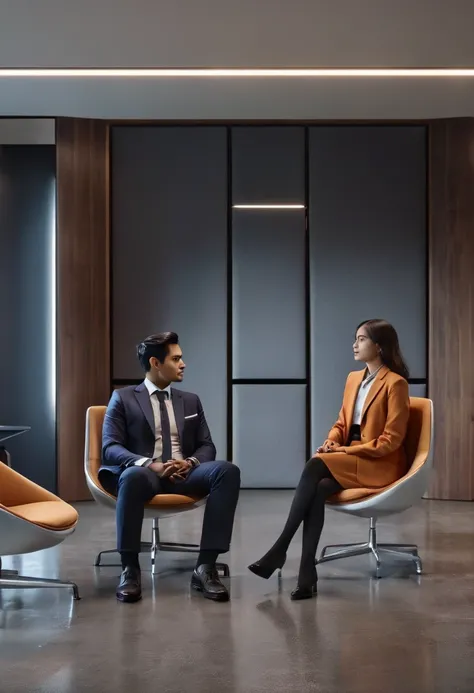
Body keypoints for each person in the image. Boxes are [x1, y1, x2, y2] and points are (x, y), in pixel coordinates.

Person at [248, 319, 410, 600]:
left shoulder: (396, 384)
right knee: (320, 487)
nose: (354, 345)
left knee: (315, 465)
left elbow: (390, 442)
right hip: (352, 458)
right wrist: (332, 440)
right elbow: (342, 422)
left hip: (379, 464)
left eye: (361, 339)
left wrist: (342, 452)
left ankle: (280, 548)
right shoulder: (353, 379)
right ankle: (306, 573)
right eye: (356, 339)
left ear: (379, 346)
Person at [100, 332, 241, 603]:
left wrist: (189, 462)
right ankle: (129, 569)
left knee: (227, 471)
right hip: (145, 475)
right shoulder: (123, 398)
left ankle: (205, 567)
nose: (183, 363)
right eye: (176, 358)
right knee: (131, 476)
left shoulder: (190, 400)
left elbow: (207, 446)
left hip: (184, 473)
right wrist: (149, 465)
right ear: (155, 362)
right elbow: (110, 447)